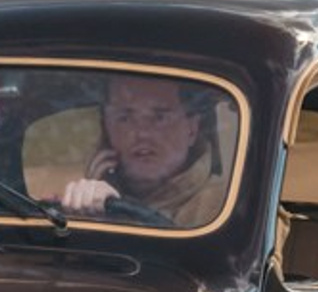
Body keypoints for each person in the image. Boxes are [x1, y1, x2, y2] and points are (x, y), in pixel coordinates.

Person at [52, 72, 230, 226]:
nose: (142, 133)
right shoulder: (90, 194)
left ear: (191, 129)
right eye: (125, 118)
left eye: (160, 117)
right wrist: (91, 211)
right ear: (106, 128)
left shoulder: (221, 207)